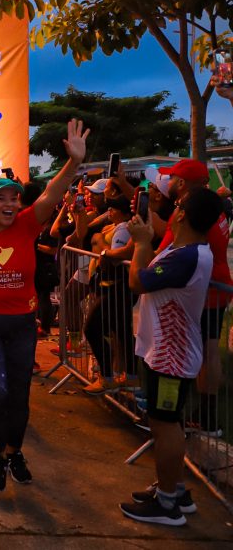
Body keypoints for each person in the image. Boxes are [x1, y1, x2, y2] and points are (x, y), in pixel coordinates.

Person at [0, 119, 88, 491]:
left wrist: (73, 163)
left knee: (18, 394)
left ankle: (14, 452)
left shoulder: (27, 225)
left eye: (14, 197)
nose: (10, 203)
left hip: (20, 324)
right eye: (1, 197)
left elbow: (52, 192)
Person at [122, 188, 223, 526]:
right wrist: (146, 240)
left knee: (165, 426)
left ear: (181, 214)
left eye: (177, 205)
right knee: (167, 423)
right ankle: (175, 489)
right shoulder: (185, 250)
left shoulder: (188, 256)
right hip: (167, 352)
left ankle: (168, 505)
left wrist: (139, 243)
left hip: (171, 357)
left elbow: (138, 282)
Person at [155, 160, 232, 434]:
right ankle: (207, 414)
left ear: (183, 183)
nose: (170, 182)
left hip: (205, 287)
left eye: (173, 177)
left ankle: (195, 416)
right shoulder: (212, 205)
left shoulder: (190, 211)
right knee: (209, 349)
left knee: (198, 351)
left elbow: (163, 253)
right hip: (215, 282)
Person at [83, 197, 137, 394]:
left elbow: (117, 257)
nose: (109, 212)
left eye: (113, 208)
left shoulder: (123, 228)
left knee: (91, 328)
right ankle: (130, 376)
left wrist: (102, 248)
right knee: (122, 331)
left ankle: (107, 376)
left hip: (114, 286)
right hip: (118, 287)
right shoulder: (118, 227)